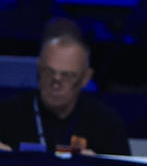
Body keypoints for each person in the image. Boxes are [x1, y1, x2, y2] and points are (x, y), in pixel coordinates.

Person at [0, 33, 130, 155]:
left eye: (67, 75)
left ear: (86, 77)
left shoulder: (106, 125)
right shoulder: (7, 115)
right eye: (48, 72)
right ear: (38, 69)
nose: (56, 83)